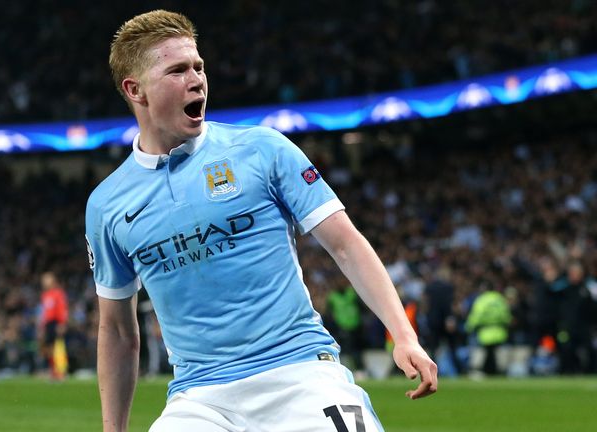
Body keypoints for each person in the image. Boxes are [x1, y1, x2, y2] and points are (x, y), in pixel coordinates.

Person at [87, 10, 438, 432]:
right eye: (178, 70)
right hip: (200, 399)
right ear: (135, 90)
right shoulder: (107, 205)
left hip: (301, 373)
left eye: (198, 66)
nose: (197, 79)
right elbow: (118, 331)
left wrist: (403, 334)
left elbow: (345, 244)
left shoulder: (262, 149)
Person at [38, 271, 69, 380]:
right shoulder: (45, 295)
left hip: (56, 322)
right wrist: (42, 326)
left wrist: (62, 323)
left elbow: (62, 309)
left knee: (58, 347)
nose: (45, 282)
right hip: (48, 323)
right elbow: (44, 312)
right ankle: (53, 371)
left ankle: (61, 371)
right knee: (48, 348)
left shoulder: (58, 294)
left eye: (48, 279)